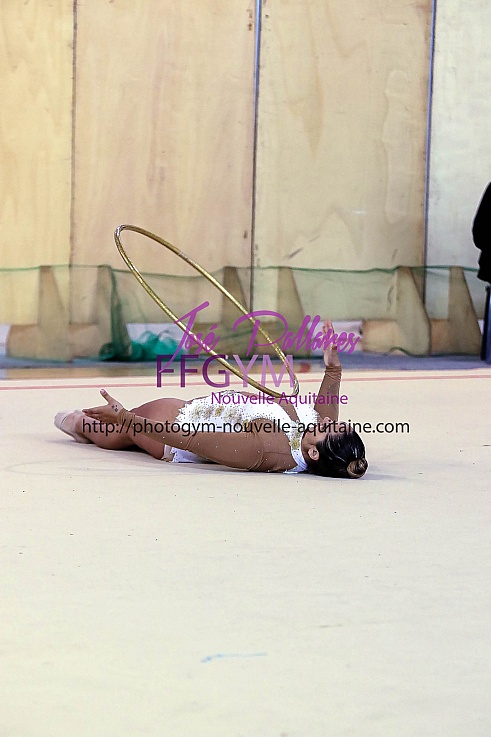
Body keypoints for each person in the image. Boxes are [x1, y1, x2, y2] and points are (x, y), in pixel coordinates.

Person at [54, 321, 368, 478]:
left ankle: (83, 427)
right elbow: (324, 413)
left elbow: (190, 439)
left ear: (313, 453)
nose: (328, 419)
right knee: (127, 428)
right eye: (336, 423)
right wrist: (333, 370)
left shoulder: (264, 449)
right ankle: (109, 425)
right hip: (199, 412)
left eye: (329, 428)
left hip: (176, 427)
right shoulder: (315, 438)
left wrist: (126, 418)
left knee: (121, 432)